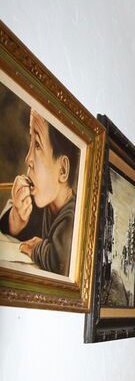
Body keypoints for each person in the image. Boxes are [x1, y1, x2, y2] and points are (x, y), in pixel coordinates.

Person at [0, 109, 79, 275]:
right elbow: (7, 230)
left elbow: (60, 261)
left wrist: (37, 249)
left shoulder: (72, 218)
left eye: (37, 145)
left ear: (63, 170)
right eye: (31, 141)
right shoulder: (40, 206)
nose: (28, 159)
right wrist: (16, 219)